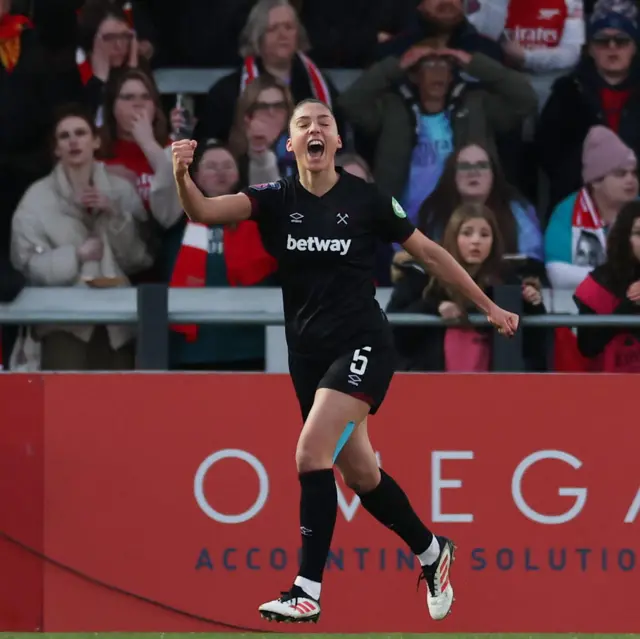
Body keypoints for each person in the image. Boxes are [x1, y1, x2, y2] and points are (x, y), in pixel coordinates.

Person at [171, 98, 519, 624]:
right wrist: (181, 173)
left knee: (310, 455)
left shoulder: (368, 199)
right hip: (306, 355)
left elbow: (430, 254)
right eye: (304, 124)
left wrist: (489, 305)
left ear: (335, 144)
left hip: (364, 344)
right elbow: (200, 210)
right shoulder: (272, 197)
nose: (315, 130)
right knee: (361, 476)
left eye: (324, 123)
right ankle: (432, 552)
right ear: (291, 146)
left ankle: (306, 588)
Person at [388, 202, 546, 371]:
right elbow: (393, 332)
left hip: (492, 389)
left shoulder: (505, 280)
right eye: (467, 233)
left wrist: (531, 303)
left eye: (484, 235)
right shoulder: (420, 276)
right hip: (428, 386)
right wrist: (433, 307)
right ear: (452, 237)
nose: (476, 241)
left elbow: (535, 343)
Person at [573, 200, 640, 371]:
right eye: (639, 233)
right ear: (625, 237)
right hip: (609, 387)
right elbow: (587, 347)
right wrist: (629, 305)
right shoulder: (599, 283)